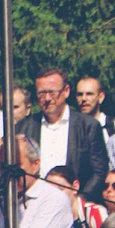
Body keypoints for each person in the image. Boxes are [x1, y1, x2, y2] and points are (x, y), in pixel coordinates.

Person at [17, 68, 109, 202]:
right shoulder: (24, 127)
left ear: (66, 91)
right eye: (42, 93)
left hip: (75, 204)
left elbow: (99, 171)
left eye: (52, 93)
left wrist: (79, 201)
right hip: (33, 203)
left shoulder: (88, 126)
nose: (47, 99)